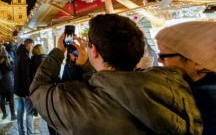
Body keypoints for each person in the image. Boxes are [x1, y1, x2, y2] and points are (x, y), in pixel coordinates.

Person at [30, 14, 203, 134]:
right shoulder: (173, 88)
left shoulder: (77, 105)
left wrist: (59, 50)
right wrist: (87, 67)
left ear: (94, 51)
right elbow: (115, 85)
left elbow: (38, 88)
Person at [156, 21, 216, 135]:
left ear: (198, 63)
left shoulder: (205, 98)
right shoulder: (203, 84)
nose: (159, 60)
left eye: (164, 56)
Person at [14, 38, 34, 135]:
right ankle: (30, 133)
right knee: (29, 112)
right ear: (28, 45)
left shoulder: (18, 55)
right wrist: (27, 92)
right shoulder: (25, 58)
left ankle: (21, 131)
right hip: (24, 90)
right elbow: (26, 76)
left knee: (20, 109)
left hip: (18, 88)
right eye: (32, 46)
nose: (32, 48)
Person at [0, 46, 16, 120]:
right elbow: (12, 68)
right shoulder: (8, 60)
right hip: (9, 83)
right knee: (11, 98)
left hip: (0, 83)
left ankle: (4, 114)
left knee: (2, 98)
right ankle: (13, 115)